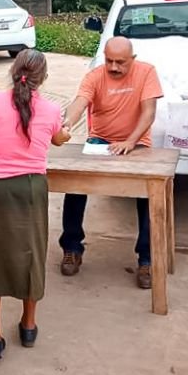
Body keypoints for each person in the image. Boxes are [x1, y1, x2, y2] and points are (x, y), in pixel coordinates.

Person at [0, 50, 70, 361]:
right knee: (31, 252)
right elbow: (59, 138)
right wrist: (63, 133)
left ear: (13, 71)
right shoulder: (51, 109)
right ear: (44, 78)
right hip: (31, 189)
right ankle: (28, 325)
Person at [58, 36, 163, 289]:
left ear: (132, 59)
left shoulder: (147, 72)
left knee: (148, 195)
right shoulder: (95, 76)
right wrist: (67, 123)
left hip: (137, 142)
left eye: (120, 62)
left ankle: (147, 259)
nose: (114, 67)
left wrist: (130, 141)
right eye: (109, 61)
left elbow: (149, 112)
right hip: (100, 141)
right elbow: (80, 102)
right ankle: (72, 247)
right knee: (75, 185)